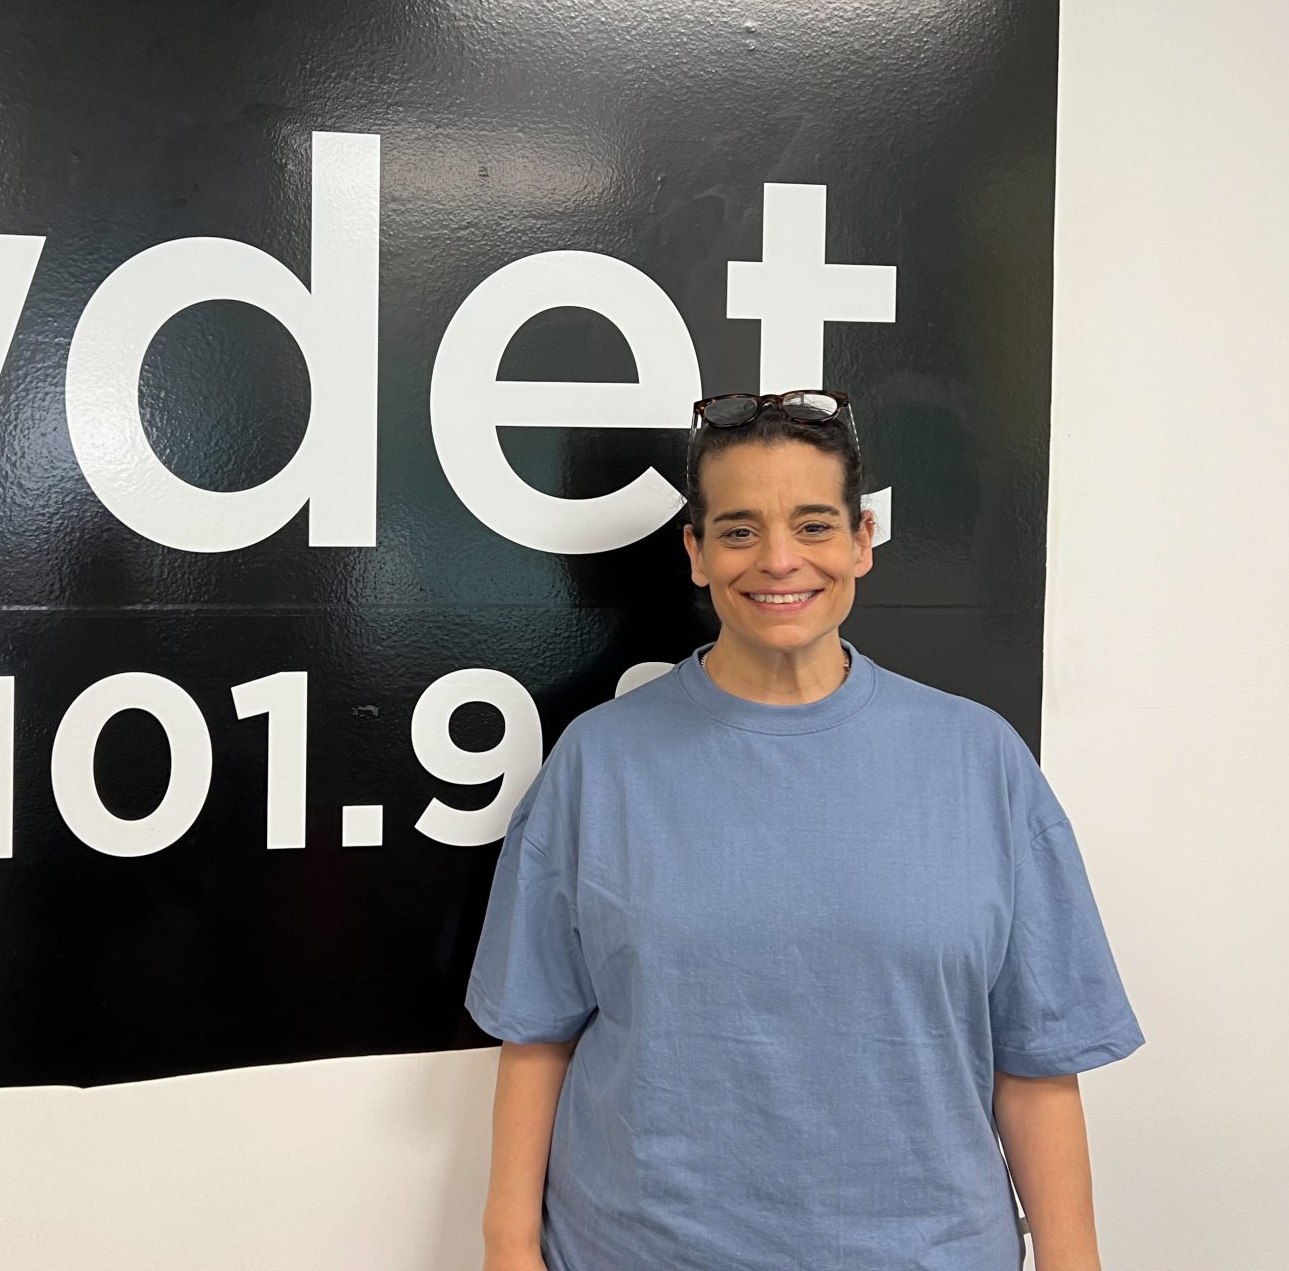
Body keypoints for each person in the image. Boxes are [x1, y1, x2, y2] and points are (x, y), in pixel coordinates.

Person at [466, 390, 1144, 1271]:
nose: (779, 560)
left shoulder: (981, 761)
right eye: (740, 530)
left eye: (815, 526)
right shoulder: (600, 763)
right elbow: (538, 1036)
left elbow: (1039, 1063)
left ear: (862, 541)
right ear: (697, 554)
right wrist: (507, 1250)